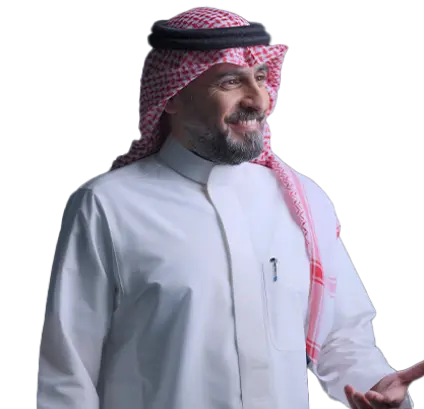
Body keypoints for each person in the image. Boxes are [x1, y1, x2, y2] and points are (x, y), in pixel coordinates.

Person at [35, 5, 421, 409]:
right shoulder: (107, 206)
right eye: (231, 81)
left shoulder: (300, 200)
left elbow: (339, 335)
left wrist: (376, 385)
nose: (258, 99)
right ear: (172, 95)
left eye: (261, 78)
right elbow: (69, 374)